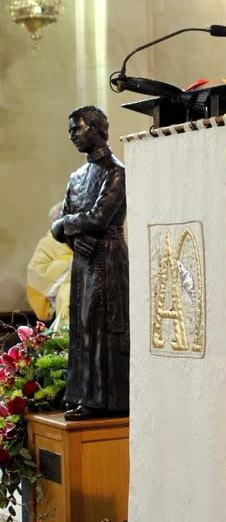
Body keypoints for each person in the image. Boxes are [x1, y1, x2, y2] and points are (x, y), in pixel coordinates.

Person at [51, 105, 129, 421]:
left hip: (108, 258)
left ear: (96, 128)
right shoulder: (77, 177)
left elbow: (99, 218)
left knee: (104, 328)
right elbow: (57, 226)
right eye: (70, 130)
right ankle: (82, 394)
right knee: (82, 329)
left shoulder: (116, 171)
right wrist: (73, 235)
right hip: (83, 259)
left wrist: (67, 225)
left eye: (77, 128)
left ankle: (106, 399)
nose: (72, 135)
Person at [26, 202, 72, 331]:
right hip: (55, 301)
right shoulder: (48, 243)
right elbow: (36, 272)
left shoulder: (80, 239)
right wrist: (71, 263)